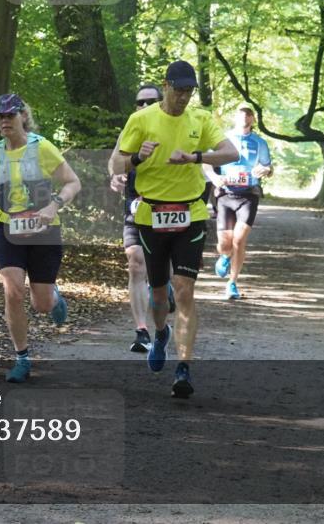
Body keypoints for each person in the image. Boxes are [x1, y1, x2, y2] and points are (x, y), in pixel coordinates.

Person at [116, 61, 238, 398]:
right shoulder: (141, 120)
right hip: (151, 215)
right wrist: (137, 159)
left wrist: (197, 158)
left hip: (190, 214)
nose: (184, 97)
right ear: (166, 85)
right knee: (159, 295)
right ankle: (159, 333)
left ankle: (183, 366)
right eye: (179, 89)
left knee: (184, 289)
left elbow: (231, 152)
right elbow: (116, 163)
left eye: (189, 91)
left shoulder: (200, 119)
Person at [0, 94, 82, 383]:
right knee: (13, 291)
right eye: (0, 116)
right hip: (9, 229)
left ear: (23, 116)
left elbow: (73, 182)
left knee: (41, 304)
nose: (5, 120)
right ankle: (21, 358)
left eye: (10, 115)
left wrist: (54, 204)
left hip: (45, 231)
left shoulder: (41, 147)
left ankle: (54, 299)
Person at [108, 84, 176, 354]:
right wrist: (115, 176)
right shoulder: (131, 128)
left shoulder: (175, 127)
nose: (145, 105)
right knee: (136, 263)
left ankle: (164, 285)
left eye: (151, 101)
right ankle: (141, 330)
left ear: (162, 102)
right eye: (140, 102)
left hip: (169, 206)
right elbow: (115, 161)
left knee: (161, 267)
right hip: (136, 205)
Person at [204, 103, 273, 300]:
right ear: (235, 117)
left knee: (240, 239)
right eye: (241, 114)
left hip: (249, 195)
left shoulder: (259, 143)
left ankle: (232, 283)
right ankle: (225, 256)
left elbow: (268, 167)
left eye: (248, 114)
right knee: (225, 244)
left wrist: (265, 170)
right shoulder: (223, 139)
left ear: (253, 119)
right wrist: (215, 178)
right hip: (226, 195)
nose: (245, 117)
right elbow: (206, 162)